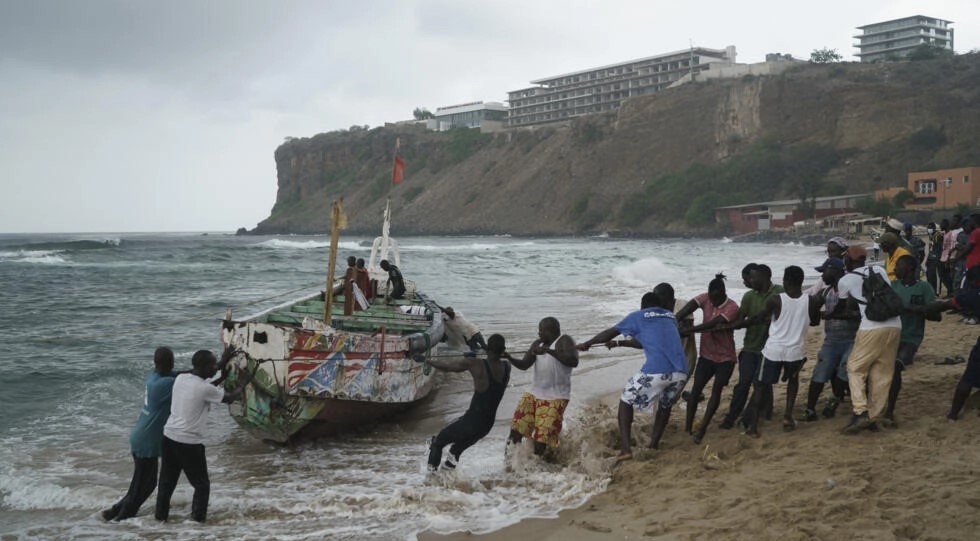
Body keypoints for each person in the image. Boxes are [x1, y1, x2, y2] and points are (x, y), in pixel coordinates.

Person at [577, 291, 688, 460]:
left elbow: (609, 332)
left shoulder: (638, 316)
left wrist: (588, 343)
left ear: (643, 306)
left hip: (657, 370)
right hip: (681, 372)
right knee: (665, 407)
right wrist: (620, 343)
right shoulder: (670, 317)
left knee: (626, 400)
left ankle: (625, 449)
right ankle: (653, 445)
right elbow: (646, 341)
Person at [154, 347, 253, 523]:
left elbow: (204, 387)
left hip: (168, 437)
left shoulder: (181, 379)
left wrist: (222, 370)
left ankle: (159, 520)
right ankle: (197, 523)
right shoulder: (203, 388)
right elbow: (229, 397)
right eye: (213, 364)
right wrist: (243, 383)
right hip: (188, 443)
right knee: (202, 486)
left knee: (166, 483)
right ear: (205, 367)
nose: (215, 366)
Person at [101, 347, 178, 522]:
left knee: (139, 484)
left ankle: (113, 512)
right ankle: (121, 520)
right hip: (147, 441)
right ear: (171, 362)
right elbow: (191, 378)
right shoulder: (166, 384)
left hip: (140, 436)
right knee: (144, 486)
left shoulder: (153, 377)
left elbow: (180, 374)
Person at [741, 266, 818, 436]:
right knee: (792, 382)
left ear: (786, 280)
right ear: (801, 281)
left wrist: (750, 321)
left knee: (760, 386)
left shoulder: (776, 299)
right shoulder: (811, 301)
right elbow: (814, 322)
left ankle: (753, 428)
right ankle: (787, 417)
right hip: (795, 351)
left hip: (773, 350)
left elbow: (760, 317)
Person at [836, 244, 902, 434]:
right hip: (895, 325)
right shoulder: (879, 269)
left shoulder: (846, 280)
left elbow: (842, 307)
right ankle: (873, 416)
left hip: (871, 327)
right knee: (882, 372)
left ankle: (860, 412)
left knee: (855, 368)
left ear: (848, 259)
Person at [426, 334, 513, 470]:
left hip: (471, 421)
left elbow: (448, 367)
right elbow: (501, 359)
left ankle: (430, 479)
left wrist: (428, 361)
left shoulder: (475, 364)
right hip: (486, 426)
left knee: (437, 442)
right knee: (455, 451)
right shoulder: (507, 367)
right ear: (503, 350)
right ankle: (446, 479)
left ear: (486, 348)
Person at [675, 274, 739, 444]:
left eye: (716, 299)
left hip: (726, 358)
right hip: (707, 355)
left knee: (716, 390)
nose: (713, 302)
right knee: (695, 391)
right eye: (711, 298)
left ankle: (702, 428)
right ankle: (688, 427)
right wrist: (675, 319)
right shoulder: (706, 298)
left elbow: (713, 325)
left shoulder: (732, 307)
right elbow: (688, 308)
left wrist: (691, 330)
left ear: (724, 294)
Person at [719, 263, 783, 429]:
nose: (750, 280)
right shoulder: (748, 296)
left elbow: (783, 317)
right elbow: (740, 318)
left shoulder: (779, 292)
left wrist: (756, 320)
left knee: (761, 383)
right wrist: (727, 325)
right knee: (744, 383)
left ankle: (751, 416)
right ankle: (731, 417)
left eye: (753, 277)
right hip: (750, 347)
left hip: (771, 348)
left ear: (764, 277)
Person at [508, 317, 578, 456]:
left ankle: (539, 471)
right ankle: (509, 464)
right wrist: (508, 357)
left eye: (541, 330)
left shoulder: (564, 341)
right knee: (516, 431)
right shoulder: (537, 343)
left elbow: (573, 361)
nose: (538, 333)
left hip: (556, 398)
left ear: (550, 330)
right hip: (533, 395)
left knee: (541, 440)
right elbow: (524, 365)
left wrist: (548, 351)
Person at [917, 266, 980, 419]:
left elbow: (945, 305)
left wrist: (920, 309)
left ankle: (953, 415)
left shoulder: (972, 296)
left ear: (974, 282)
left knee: (968, 380)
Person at [800, 258, 858, 422]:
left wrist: (830, 315)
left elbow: (855, 314)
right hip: (831, 341)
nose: (822, 275)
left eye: (824, 271)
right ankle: (810, 410)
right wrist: (815, 310)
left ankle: (834, 399)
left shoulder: (851, 290)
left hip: (851, 340)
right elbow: (814, 317)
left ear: (836, 271)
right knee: (819, 374)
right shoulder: (825, 292)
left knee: (842, 374)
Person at [883, 255, 939, 425]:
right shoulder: (892, 286)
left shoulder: (924, 288)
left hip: (911, 338)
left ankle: (889, 411)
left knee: (897, 366)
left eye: (899, 265)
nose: (895, 269)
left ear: (909, 268)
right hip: (891, 335)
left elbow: (936, 316)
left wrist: (915, 309)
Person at [940, 215, 962, 298]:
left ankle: (954, 294)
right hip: (947, 257)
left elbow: (954, 246)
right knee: (948, 276)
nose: (952, 222)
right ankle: (952, 293)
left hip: (954, 258)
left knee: (954, 278)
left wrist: (949, 256)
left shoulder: (959, 232)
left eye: (954, 220)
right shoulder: (951, 232)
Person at [925, 222, 944, 296]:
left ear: (934, 228)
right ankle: (931, 291)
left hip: (936, 259)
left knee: (937, 276)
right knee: (929, 276)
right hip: (931, 258)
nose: (928, 229)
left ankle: (937, 292)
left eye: (930, 228)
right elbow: (931, 249)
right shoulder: (930, 236)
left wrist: (939, 258)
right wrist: (927, 259)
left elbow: (940, 248)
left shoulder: (938, 235)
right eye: (928, 228)